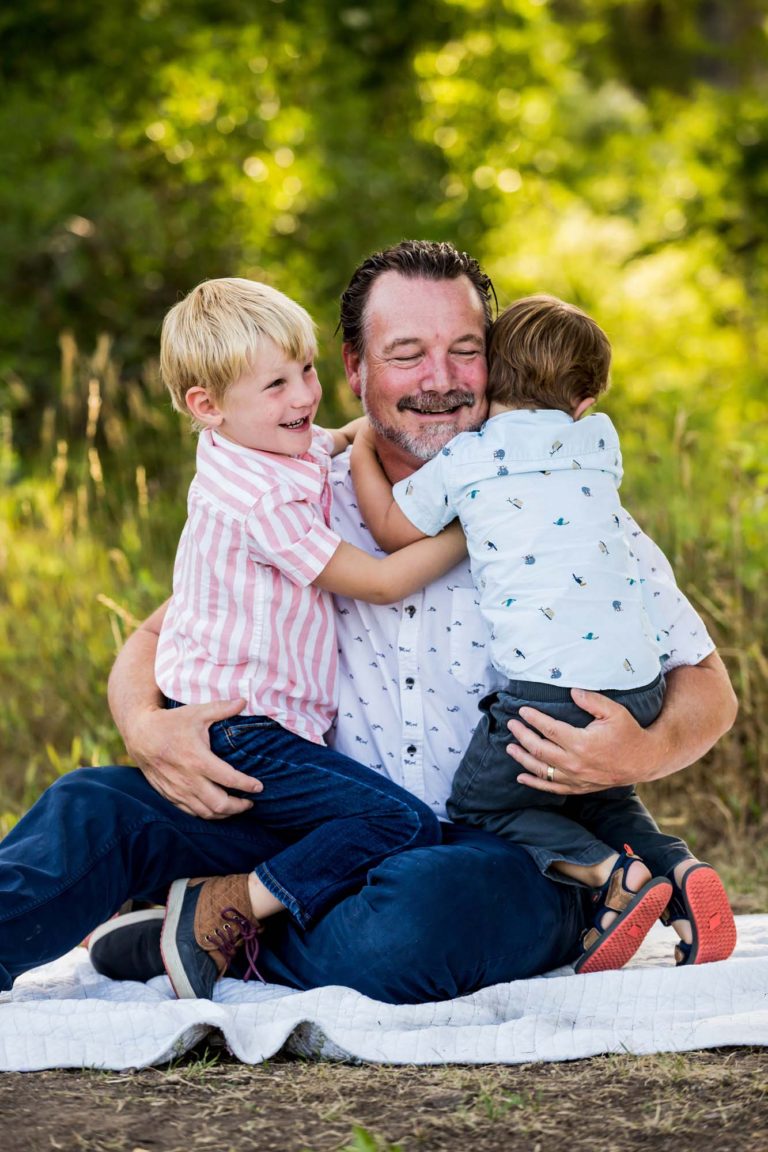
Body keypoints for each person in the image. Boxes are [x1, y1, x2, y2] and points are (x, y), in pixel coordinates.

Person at [0, 242, 737, 1003]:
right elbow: (162, 631)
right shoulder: (296, 487)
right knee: (92, 808)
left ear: (501, 363)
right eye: (407, 354)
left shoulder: (563, 503)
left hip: (496, 843)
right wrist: (145, 726)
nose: (441, 380)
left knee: (420, 916)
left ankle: (196, 931)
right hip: (311, 822)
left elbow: (709, 684)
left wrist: (640, 751)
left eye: (466, 351)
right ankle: (205, 919)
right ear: (354, 370)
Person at [350, 293, 736, 973]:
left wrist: (353, 441)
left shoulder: (470, 459)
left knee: (479, 802)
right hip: (634, 691)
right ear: (585, 402)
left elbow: (387, 529)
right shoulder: (599, 449)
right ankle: (676, 871)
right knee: (603, 794)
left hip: (546, 695)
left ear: (488, 375)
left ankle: (609, 874)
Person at [127, 276, 472, 998]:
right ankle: (223, 910)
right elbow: (378, 581)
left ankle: (181, 917)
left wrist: (377, 436)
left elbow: (338, 440)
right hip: (243, 728)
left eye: (307, 371)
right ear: (207, 406)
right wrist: (467, 532)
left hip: (265, 726)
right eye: (277, 384)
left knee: (379, 832)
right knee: (398, 823)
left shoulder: (266, 449)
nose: (304, 396)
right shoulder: (259, 500)